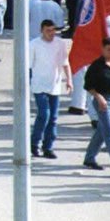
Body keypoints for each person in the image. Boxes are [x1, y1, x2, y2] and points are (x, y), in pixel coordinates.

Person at [28, 18, 70, 159]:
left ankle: (48, 146)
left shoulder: (60, 44)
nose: (51, 33)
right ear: (42, 31)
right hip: (39, 85)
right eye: (48, 30)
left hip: (54, 85)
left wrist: (69, 80)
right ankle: (34, 144)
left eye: (53, 30)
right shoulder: (34, 44)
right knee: (43, 114)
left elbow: (65, 63)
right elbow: (28, 66)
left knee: (53, 117)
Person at [83, 37, 110, 171]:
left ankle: (89, 158)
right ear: (102, 49)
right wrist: (98, 97)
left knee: (101, 131)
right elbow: (88, 85)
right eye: (109, 50)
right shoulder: (96, 66)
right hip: (102, 100)